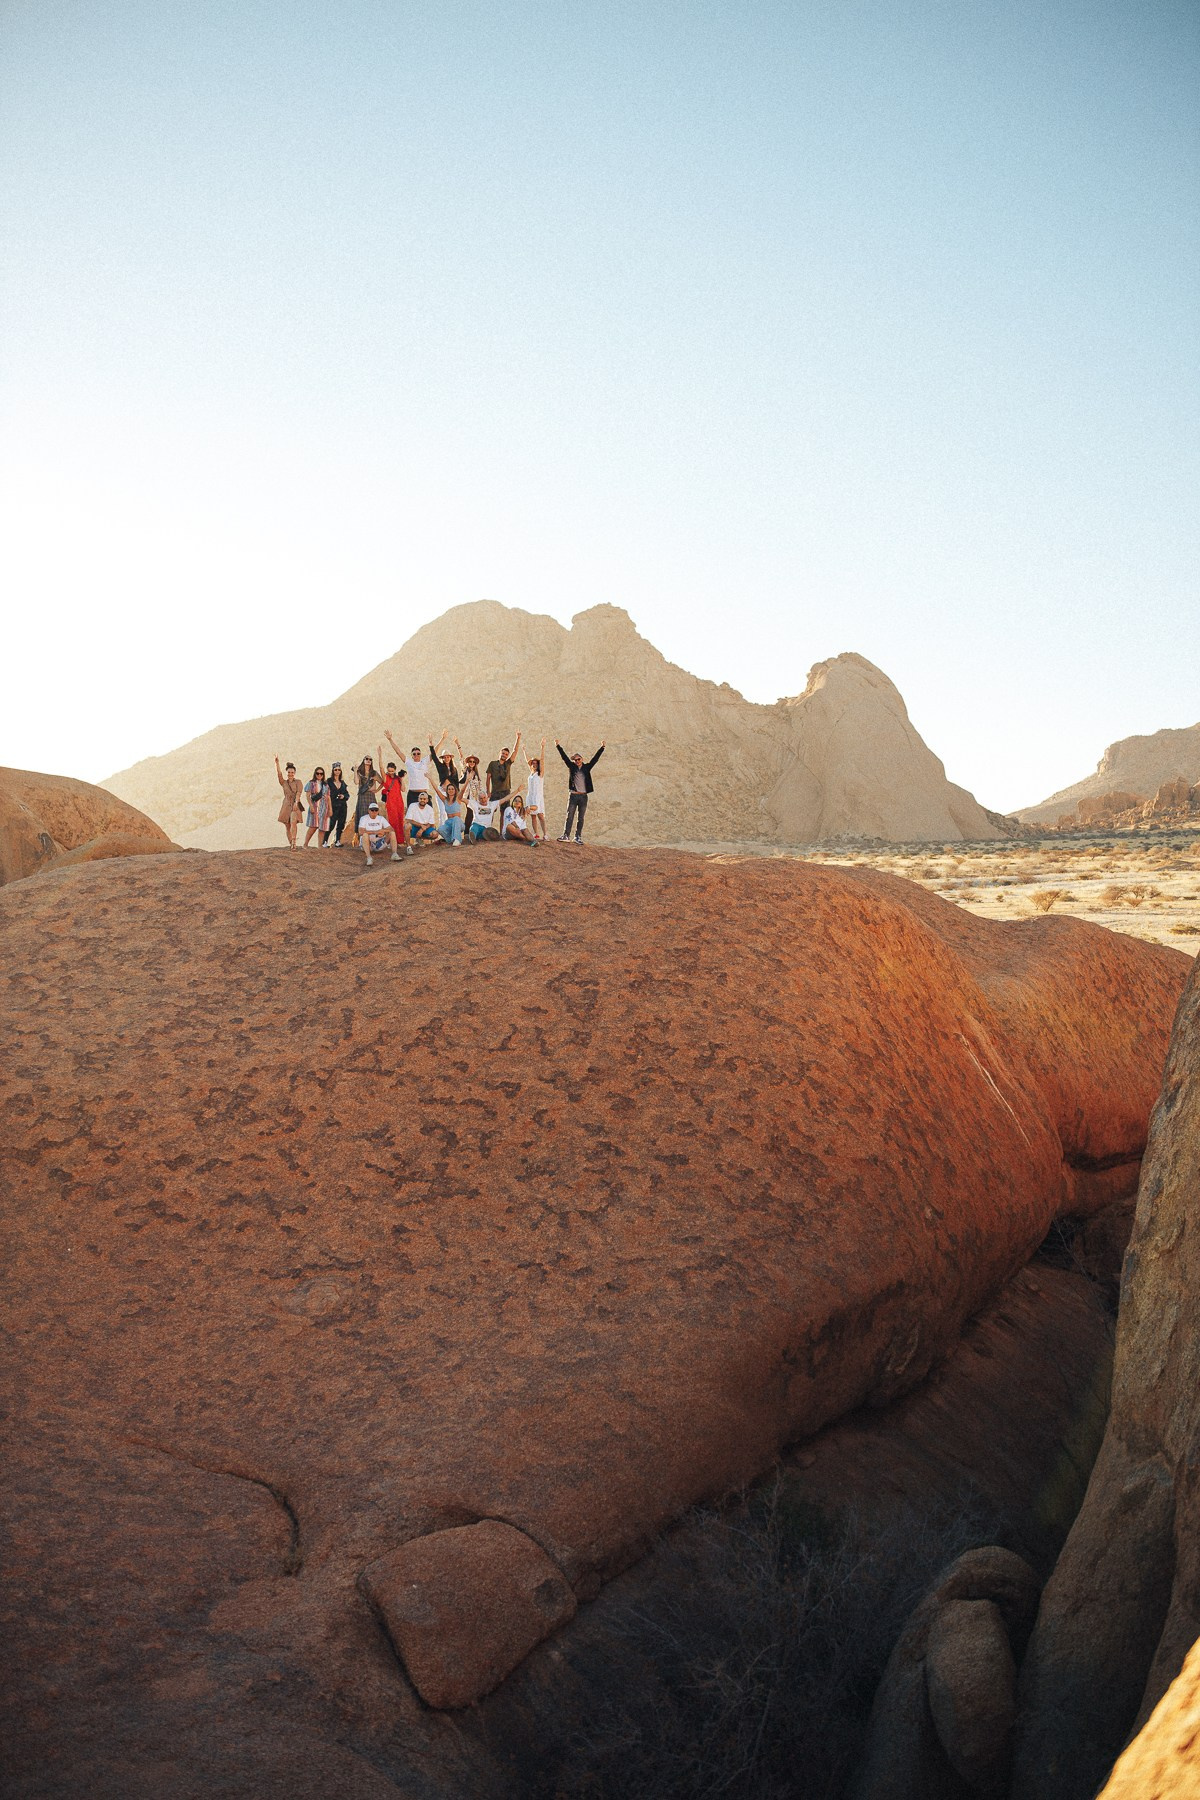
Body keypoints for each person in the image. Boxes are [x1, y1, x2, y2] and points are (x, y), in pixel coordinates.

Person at [556, 740, 605, 842]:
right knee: (569, 816)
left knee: (581, 818)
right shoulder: (572, 767)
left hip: (583, 796)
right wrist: (558, 746)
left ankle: (577, 837)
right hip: (573, 796)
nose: (577, 761)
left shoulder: (587, 767)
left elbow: (595, 759)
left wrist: (602, 748)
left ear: (582, 759)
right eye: (575, 760)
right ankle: (566, 835)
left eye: (578, 759)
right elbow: (564, 757)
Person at [380, 759, 413, 855]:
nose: (390, 772)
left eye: (392, 771)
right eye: (389, 770)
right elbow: (381, 769)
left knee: (399, 821)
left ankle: (399, 841)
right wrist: (380, 756)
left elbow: (403, 789)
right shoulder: (386, 777)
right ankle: (392, 841)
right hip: (390, 802)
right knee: (392, 821)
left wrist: (402, 779)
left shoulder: (398, 778)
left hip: (399, 802)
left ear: (395, 770)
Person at [358, 798, 403, 867]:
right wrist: (375, 832)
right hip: (368, 843)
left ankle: (394, 854)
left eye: (376, 810)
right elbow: (360, 832)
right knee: (364, 835)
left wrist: (383, 831)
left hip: (378, 843)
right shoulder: (364, 818)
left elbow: (391, 829)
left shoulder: (381, 818)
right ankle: (369, 858)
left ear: (378, 811)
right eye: (372, 810)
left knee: (392, 833)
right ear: (368, 811)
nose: (374, 812)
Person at [487, 731, 523, 813]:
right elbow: (488, 778)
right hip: (495, 791)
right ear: (500, 753)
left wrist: (518, 738)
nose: (504, 755)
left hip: (506, 791)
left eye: (506, 754)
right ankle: (487, 826)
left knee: (504, 812)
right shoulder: (492, 764)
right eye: (503, 753)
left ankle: (502, 826)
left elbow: (515, 751)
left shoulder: (508, 763)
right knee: (490, 811)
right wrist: (488, 791)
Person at [427, 772, 466, 846]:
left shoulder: (458, 799)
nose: (451, 790)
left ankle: (457, 840)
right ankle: (451, 840)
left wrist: (467, 780)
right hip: (449, 823)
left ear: (455, 790)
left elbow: (463, 790)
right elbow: (437, 790)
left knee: (456, 819)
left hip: (459, 823)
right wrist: (430, 779)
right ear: (447, 791)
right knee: (440, 829)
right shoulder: (445, 800)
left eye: (452, 789)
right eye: (449, 789)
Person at [274, 756, 303, 849]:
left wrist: (296, 802)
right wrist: (277, 763)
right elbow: (279, 774)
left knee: (293, 821)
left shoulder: (298, 782)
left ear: (294, 773)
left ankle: (294, 842)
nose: (290, 774)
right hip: (286, 805)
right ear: (287, 773)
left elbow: (299, 793)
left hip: (295, 804)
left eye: (292, 772)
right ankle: (291, 842)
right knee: (287, 825)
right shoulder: (284, 783)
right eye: (289, 772)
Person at [523, 737, 547, 840]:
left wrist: (542, 747)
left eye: (536, 763)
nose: (534, 764)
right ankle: (536, 834)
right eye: (533, 763)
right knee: (533, 816)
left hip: (538, 796)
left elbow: (542, 760)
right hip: (530, 795)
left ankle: (545, 834)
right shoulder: (531, 773)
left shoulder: (540, 773)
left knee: (540, 815)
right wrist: (524, 751)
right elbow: (527, 761)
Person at [302, 767, 331, 848]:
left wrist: (330, 809)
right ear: (315, 774)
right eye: (317, 773)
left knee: (322, 828)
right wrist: (311, 806)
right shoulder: (311, 783)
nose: (319, 775)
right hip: (315, 806)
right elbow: (308, 795)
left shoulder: (325, 785)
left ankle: (319, 846)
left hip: (324, 807)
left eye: (321, 773)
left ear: (323, 775)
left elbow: (328, 797)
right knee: (313, 826)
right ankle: (305, 844)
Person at [354, 756, 380, 840]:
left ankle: (374, 838)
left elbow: (383, 782)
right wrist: (355, 771)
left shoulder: (374, 773)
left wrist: (377, 790)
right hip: (362, 796)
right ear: (364, 760)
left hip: (371, 796)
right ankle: (362, 839)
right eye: (367, 759)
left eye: (370, 759)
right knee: (362, 816)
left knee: (373, 815)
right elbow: (356, 782)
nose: (368, 760)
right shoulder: (359, 772)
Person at [323, 764, 350, 846]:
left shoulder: (342, 783)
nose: (337, 771)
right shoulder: (329, 782)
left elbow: (347, 794)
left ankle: (337, 841)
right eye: (335, 770)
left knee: (341, 824)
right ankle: (325, 841)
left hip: (342, 806)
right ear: (333, 771)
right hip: (333, 806)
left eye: (339, 770)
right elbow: (325, 794)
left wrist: (344, 796)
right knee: (331, 824)